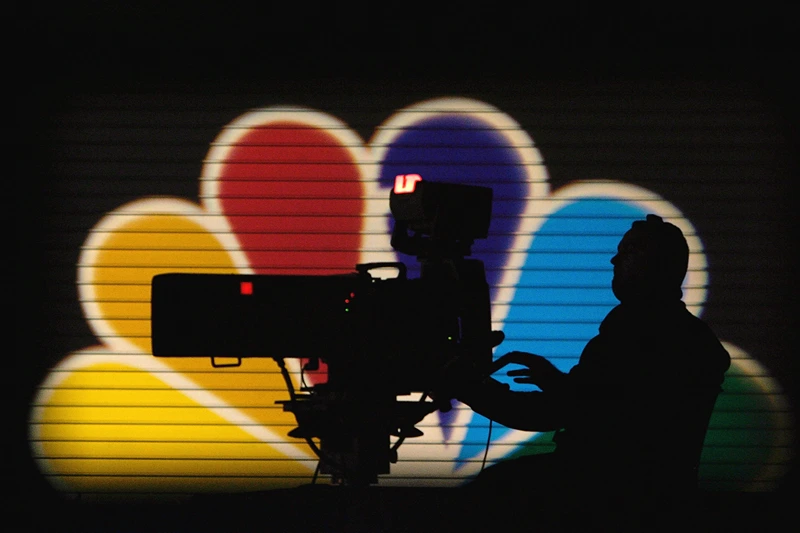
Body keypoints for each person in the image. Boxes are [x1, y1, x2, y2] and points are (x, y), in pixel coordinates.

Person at [453, 214, 731, 522]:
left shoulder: (634, 330)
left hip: (602, 494)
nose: (614, 260)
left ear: (651, 263)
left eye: (626, 251)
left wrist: (465, 387)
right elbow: (606, 402)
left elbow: (559, 412)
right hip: (654, 496)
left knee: (485, 499)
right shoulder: (691, 337)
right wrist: (557, 381)